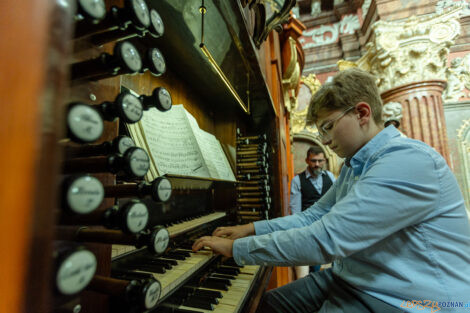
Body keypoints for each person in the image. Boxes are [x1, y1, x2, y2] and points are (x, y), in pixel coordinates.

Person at [192, 68, 470, 313]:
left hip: (409, 297)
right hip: (354, 278)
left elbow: (327, 238)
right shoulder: (355, 164)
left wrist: (236, 248)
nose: (324, 140)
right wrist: (251, 229)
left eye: (328, 127)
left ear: (362, 112)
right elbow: (313, 217)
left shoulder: (405, 160)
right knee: (268, 305)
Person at [290, 146, 335, 277]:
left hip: (329, 227)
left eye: (320, 161)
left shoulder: (330, 177)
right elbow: (296, 211)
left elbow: (337, 201)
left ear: (325, 161)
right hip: (308, 228)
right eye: (313, 161)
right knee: (307, 269)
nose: (317, 164)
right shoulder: (297, 180)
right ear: (307, 160)